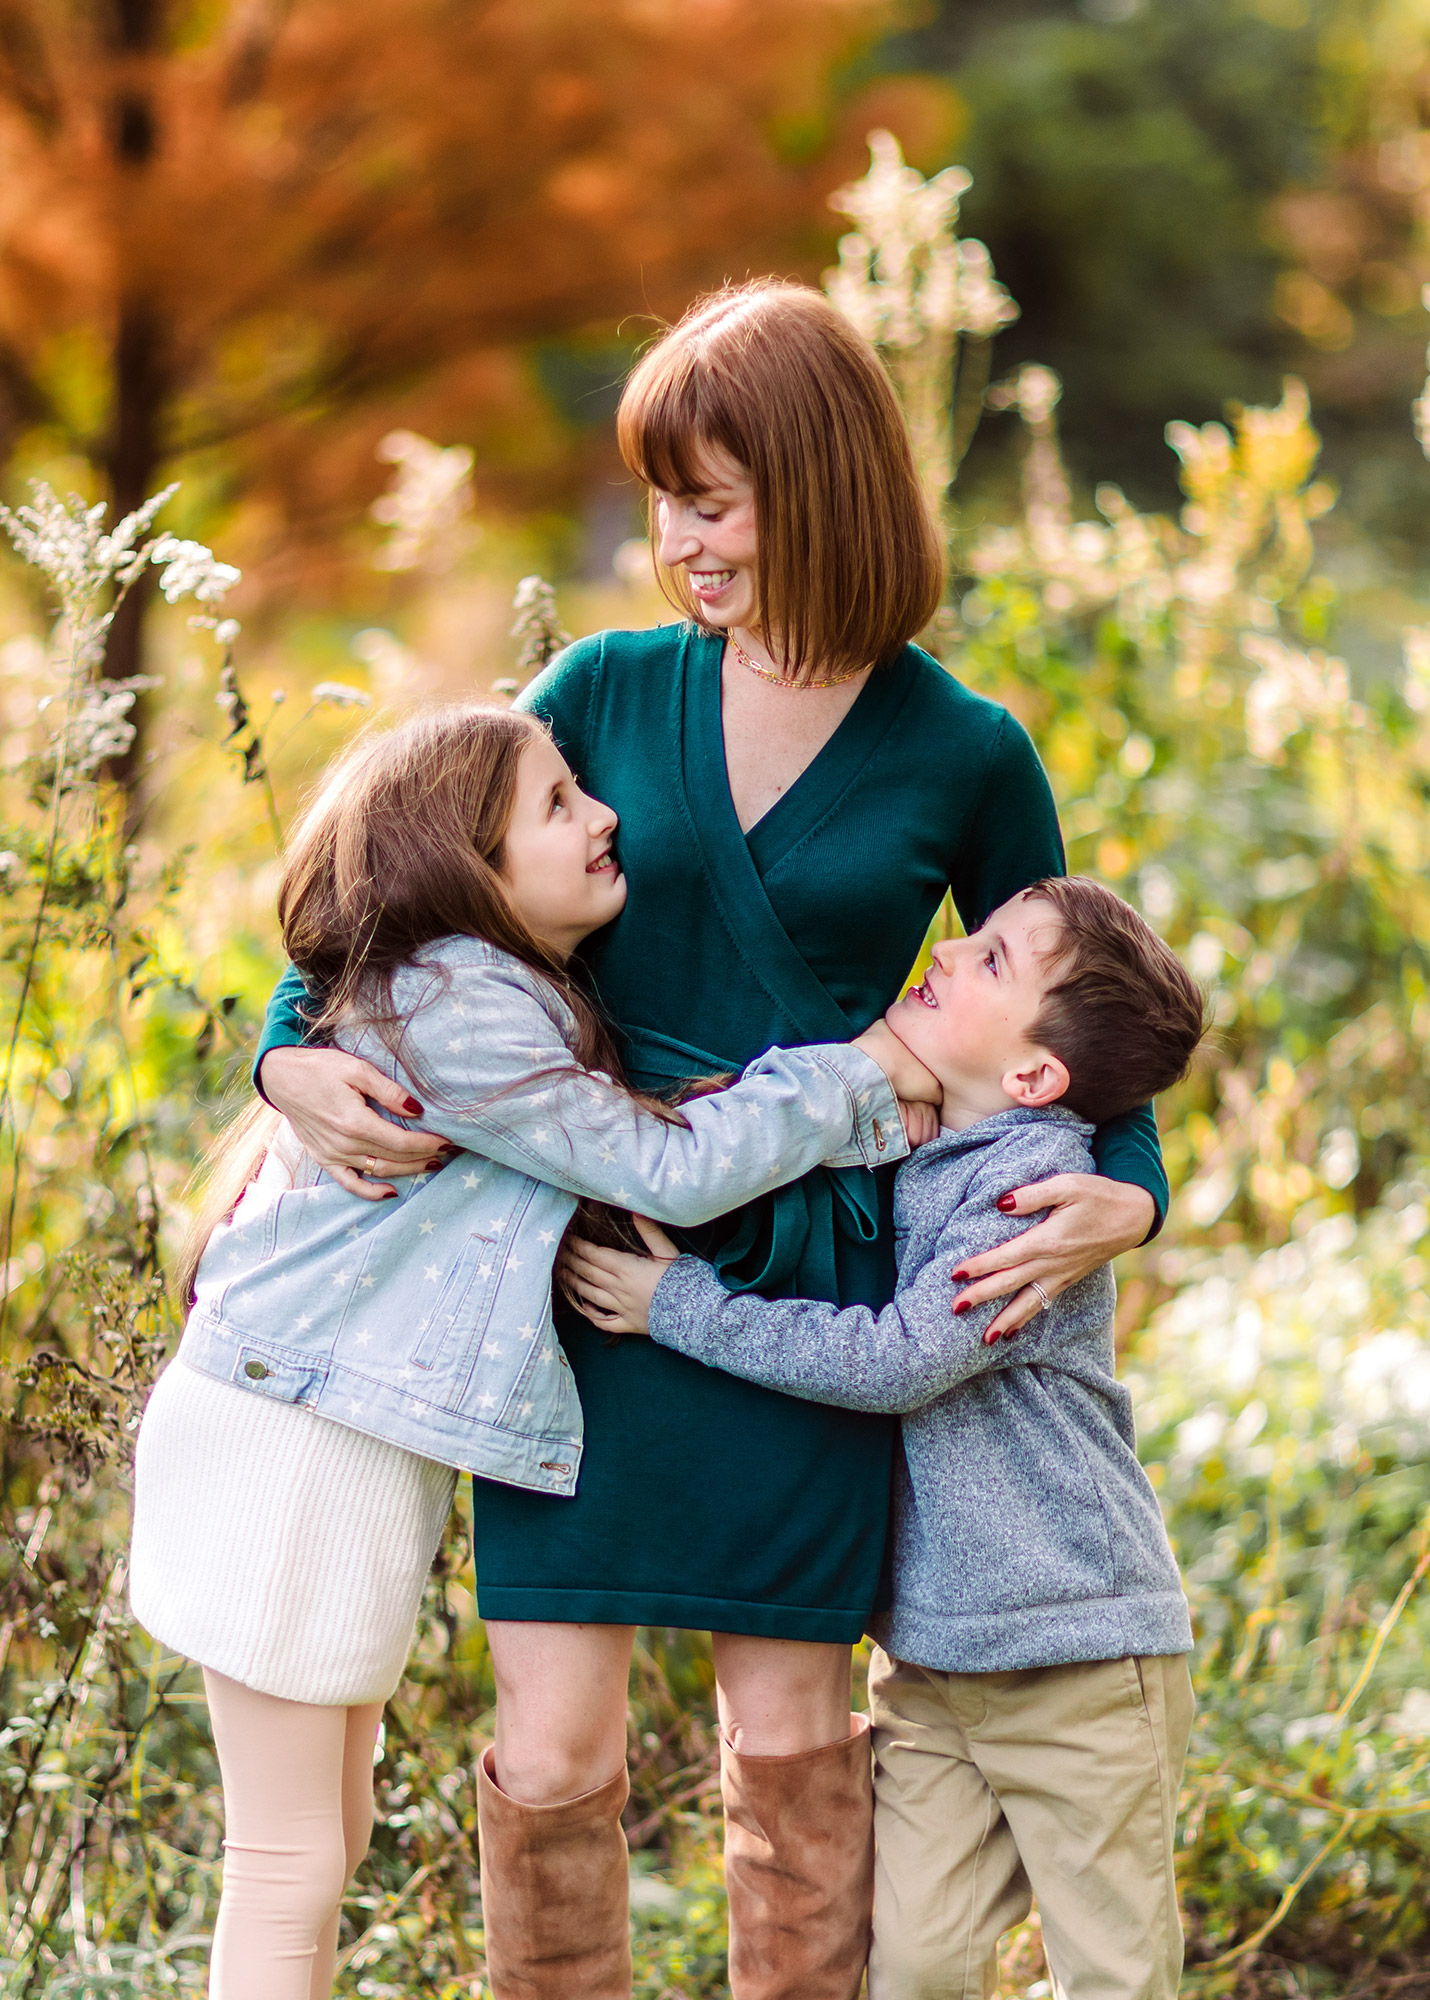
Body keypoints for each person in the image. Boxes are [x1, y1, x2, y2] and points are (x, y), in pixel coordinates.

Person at [251, 281, 1172, 1998]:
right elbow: (399, 887)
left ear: (821, 483)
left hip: (810, 1295)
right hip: (581, 1261)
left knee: (794, 1732)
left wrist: (1124, 1198)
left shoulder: (967, 750)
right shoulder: (604, 682)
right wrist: (281, 1054)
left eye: (713, 496)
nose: (677, 537)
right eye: (666, 496)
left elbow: (1090, 1026)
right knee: (552, 1744)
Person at [129, 702, 933, 2000]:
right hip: (286, 1452)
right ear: (469, 869)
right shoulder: (458, 1007)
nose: (603, 813)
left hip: (330, 1447)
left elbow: (619, 1129)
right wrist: (860, 1081)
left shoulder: (499, 1000)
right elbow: (660, 1171)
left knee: (318, 1847)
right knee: (286, 1860)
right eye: (558, 806)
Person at [564, 876, 1206, 2000]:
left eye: (994, 960)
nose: (949, 951)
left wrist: (680, 1305)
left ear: (1033, 1079)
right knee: (915, 1963)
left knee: (1113, 1968)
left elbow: (898, 1358)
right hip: (935, 1662)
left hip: (1078, 1654)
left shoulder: (1031, 1194)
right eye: (972, 934)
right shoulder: (934, 1151)